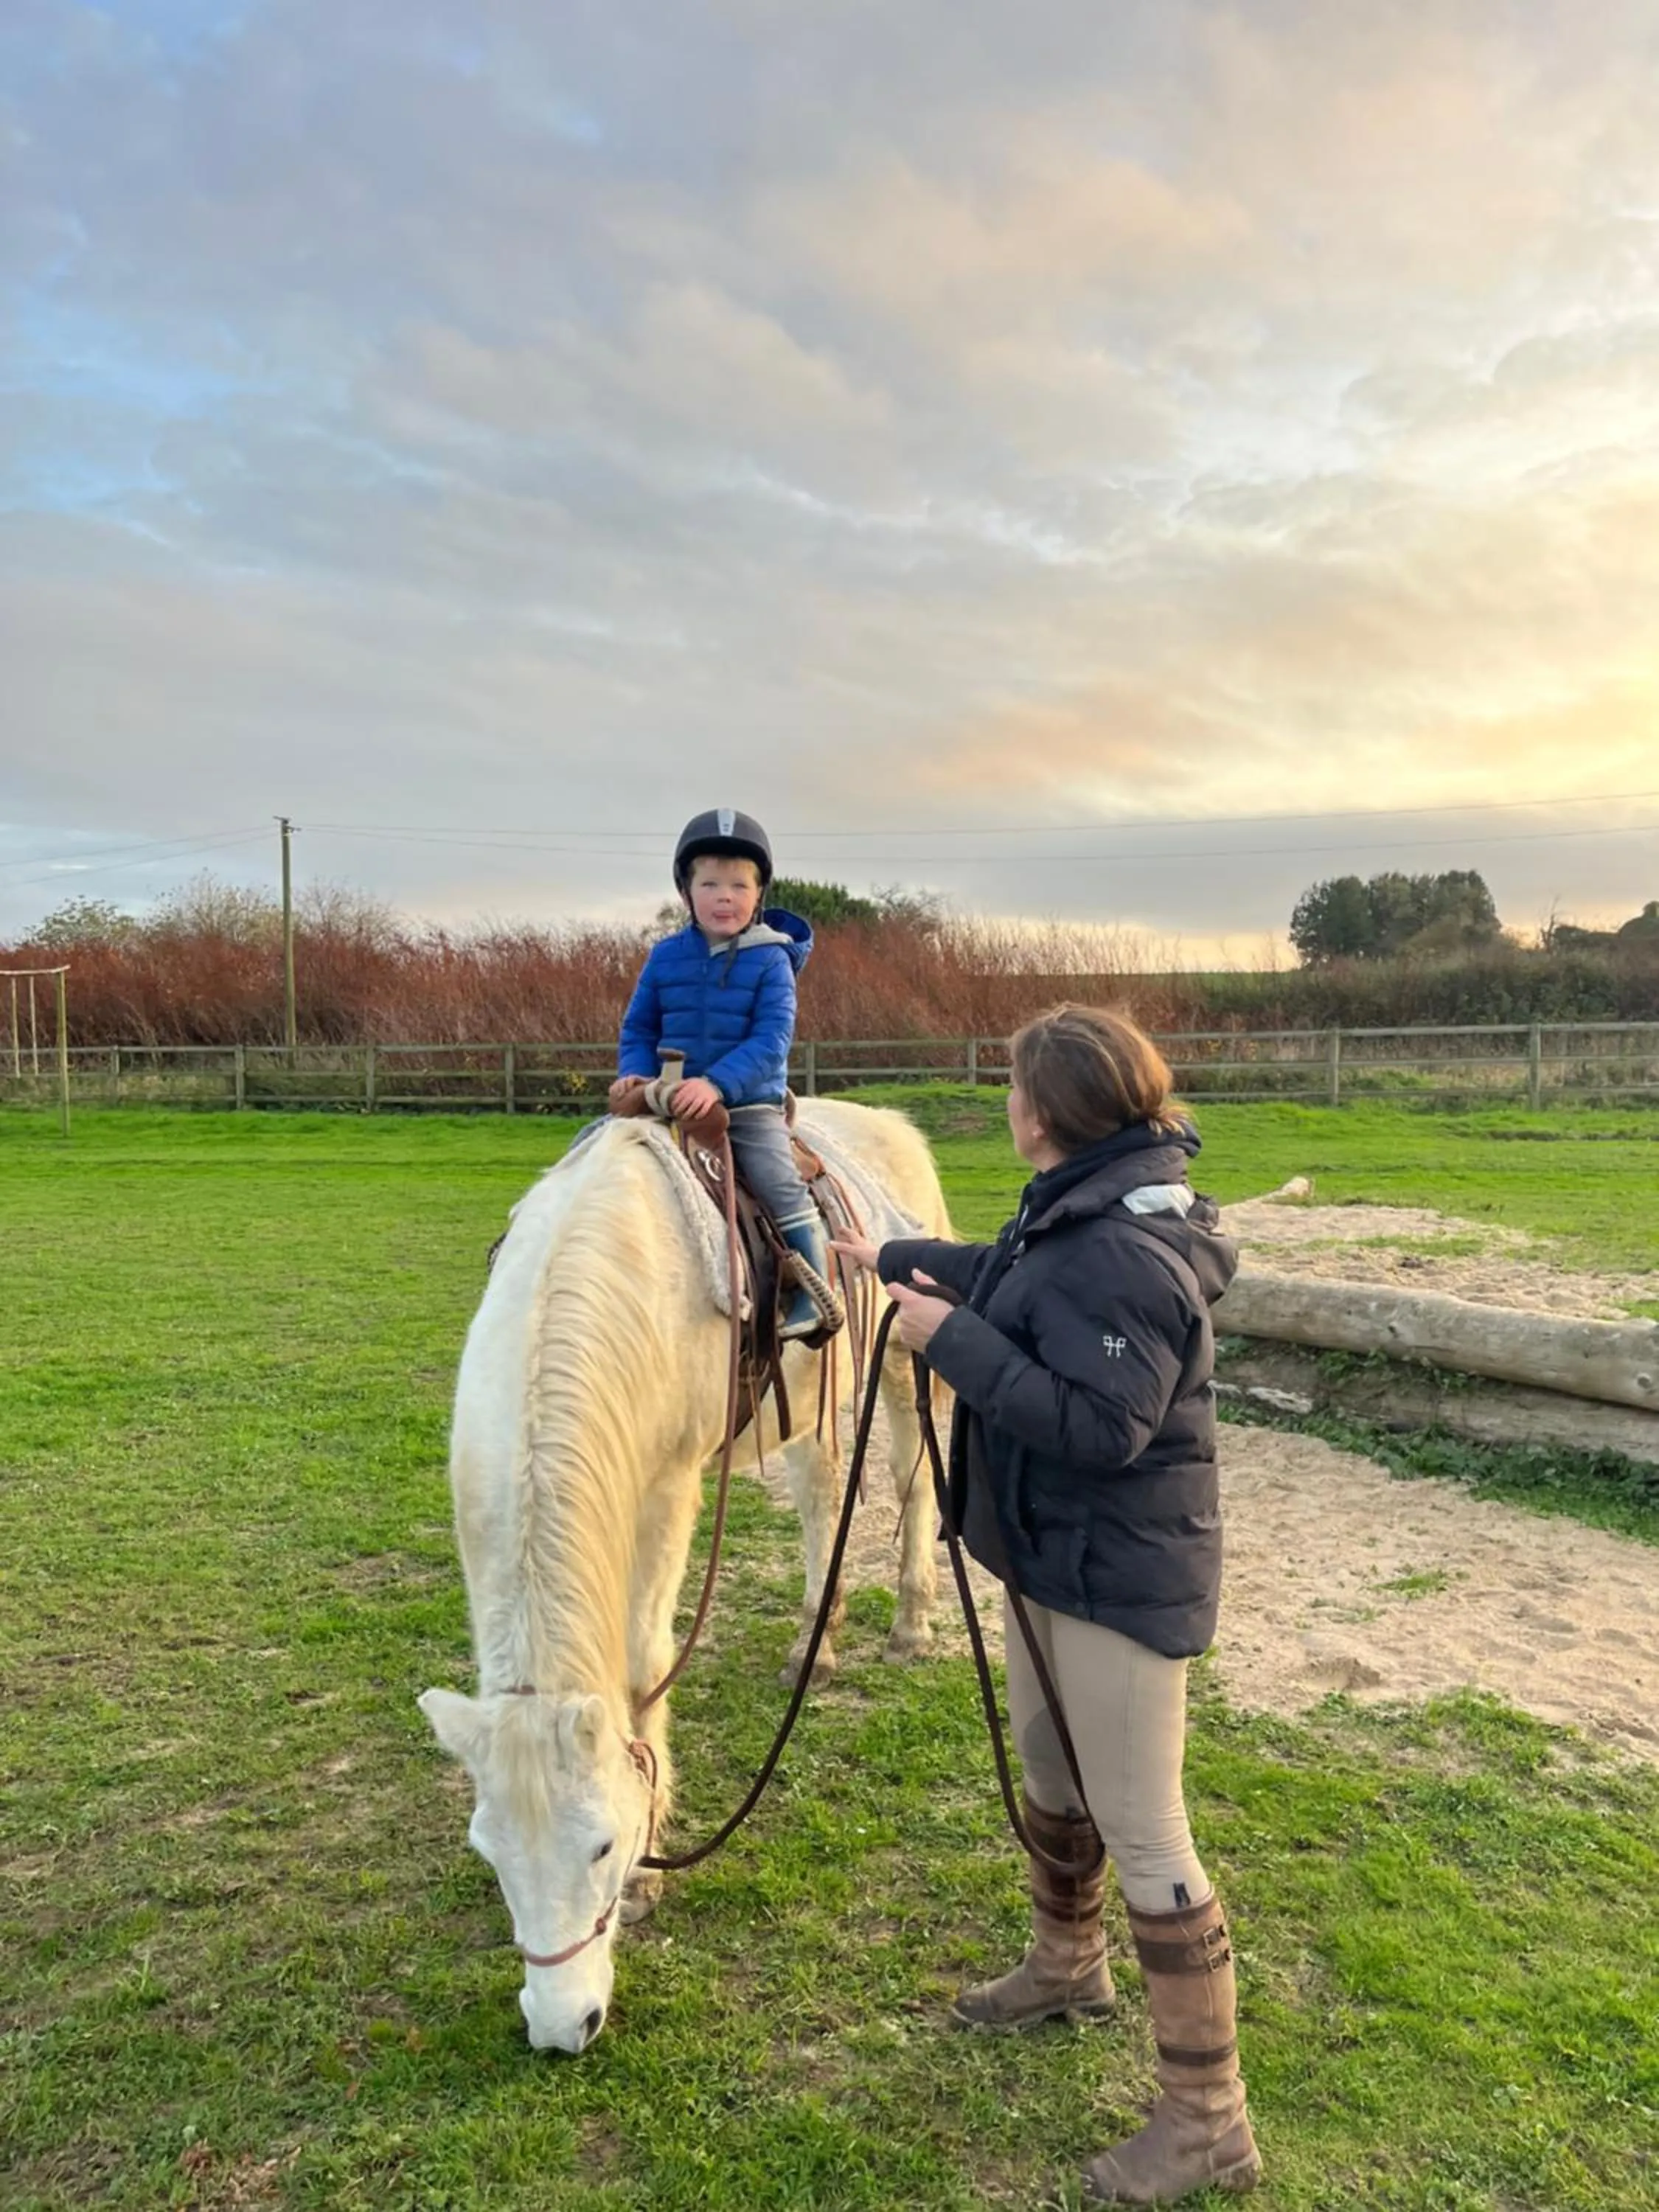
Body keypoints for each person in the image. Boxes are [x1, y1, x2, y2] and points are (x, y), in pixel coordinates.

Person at [831, 1004, 1260, 2205]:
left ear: (1045, 1108)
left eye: (1015, 1085)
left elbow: (1101, 1426)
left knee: (1145, 1827)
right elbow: (1019, 1280)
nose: (1006, 1100)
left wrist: (950, 1343)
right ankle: (1068, 1966)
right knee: (1053, 1777)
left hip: (1117, 1575)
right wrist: (901, 1261)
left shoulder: (1124, 1250)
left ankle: (1209, 2122)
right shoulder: (1082, 1198)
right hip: (1049, 1554)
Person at [610, 807, 838, 1341]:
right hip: (665, 1097)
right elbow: (639, 1027)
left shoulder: (772, 962)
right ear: (686, 892)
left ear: (760, 894)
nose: (724, 896)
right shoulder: (664, 957)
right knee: (592, 1150)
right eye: (709, 883)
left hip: (746, 1105)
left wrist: (715, 1085)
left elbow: (770, 1040)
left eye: (739, 884)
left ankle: (815, 1289)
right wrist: (636, 1076)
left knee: (780, 1184)